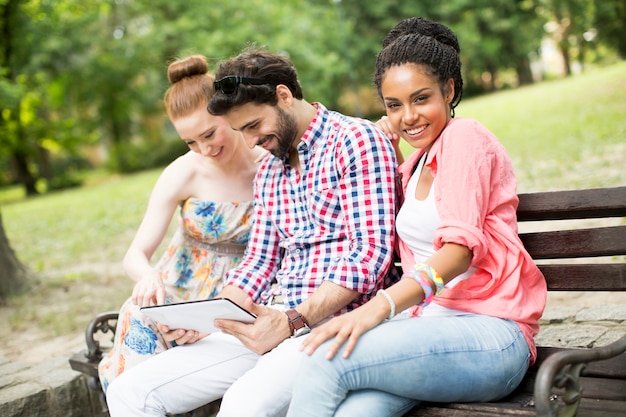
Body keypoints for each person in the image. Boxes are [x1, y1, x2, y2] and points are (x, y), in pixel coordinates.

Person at [104, 47, 398, 417]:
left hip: (335, 324)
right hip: (268, 321)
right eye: (240, 131)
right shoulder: (271, 172)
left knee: (240, 406)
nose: (250, 142)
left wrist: (291, 320)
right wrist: (211, 320)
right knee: (131, 391)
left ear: (284, 96)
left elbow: (369, 256)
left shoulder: (354, 141)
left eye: (254, 126)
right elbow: (258, 262)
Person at [286, 17, 548, 417]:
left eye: (421, 98)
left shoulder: (465, 137)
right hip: (427, 331)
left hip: (489, 333)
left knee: (325, 356)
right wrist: (385, 147)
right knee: (355, 411)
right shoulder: (415, 165)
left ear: (450, 90)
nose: (408, 116)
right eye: (394, 105)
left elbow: (458, 251)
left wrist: (378, 308)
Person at [98, 54, 264, 392]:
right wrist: (147, 276)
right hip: (179, 294)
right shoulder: (183, 171)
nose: (203, 149)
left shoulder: (269, 163)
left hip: (241, 294)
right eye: (190, 141)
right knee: (139, 315)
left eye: (209, 134)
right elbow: (136, 253)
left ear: (228, 113)